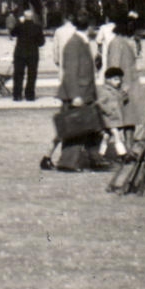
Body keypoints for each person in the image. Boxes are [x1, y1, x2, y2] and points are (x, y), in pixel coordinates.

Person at [46, 14, 103, 171]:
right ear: (90, 27)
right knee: (74, 129)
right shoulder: (74, 44)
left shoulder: (81, 42)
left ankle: (94, 158)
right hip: (78, 93)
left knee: (92, 127)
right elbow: (70, 72)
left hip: (86, 92)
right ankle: (68, 162)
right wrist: (74, 95)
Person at [100, 18, 144, 160]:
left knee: (129, 121)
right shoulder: (117, 43)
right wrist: (117, 86)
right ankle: (123, 151)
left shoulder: (123, 42)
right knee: (122, 123)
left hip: (127, 86)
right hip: (123, 88)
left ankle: (128, 150)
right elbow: (113, 67)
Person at [10, 7, 45, 102]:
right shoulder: (37, 27)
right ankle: (30, 95)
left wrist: (19, 23)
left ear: (24, 17)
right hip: (33, 54)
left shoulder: (20, 26)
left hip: (20, 53)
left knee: (18, 75)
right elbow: (41, 42)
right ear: (32, 17)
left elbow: (12, 33)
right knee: (31, 75)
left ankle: (17, 95)